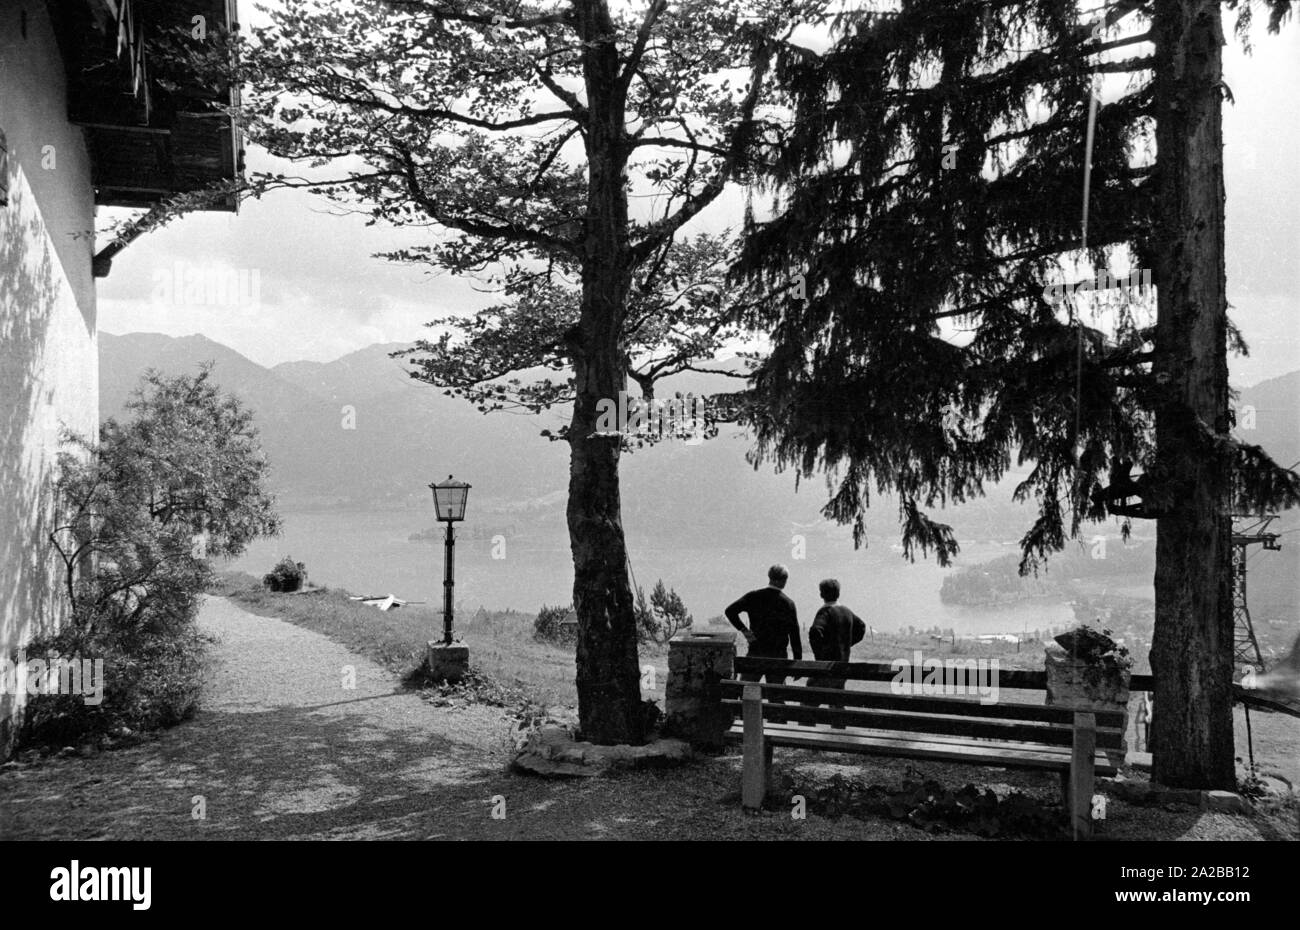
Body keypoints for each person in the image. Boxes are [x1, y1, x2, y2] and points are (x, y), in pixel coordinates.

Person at [725, 564, 801, 723]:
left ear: (769, 577)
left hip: (756, 653)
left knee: (748, 691)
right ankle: (779, 730)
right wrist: (797, 661)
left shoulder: (754, 596)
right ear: (784, 581)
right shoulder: (788, 603)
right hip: (778, 657)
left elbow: (730, 611)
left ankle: (747, 727)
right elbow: (794, 635)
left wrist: (745, 631)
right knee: (776, 696)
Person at [805, 579, 866, 728]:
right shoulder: (846, 611)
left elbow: (815, 631)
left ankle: (805, 733)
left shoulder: (825, 612)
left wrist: (820, 654)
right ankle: (839, 734)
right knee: (837, 700)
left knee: (808, 702)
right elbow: (861, 627)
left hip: (826, 667)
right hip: (842, 667)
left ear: (821, 594)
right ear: (838, 593)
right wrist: (845, 645)